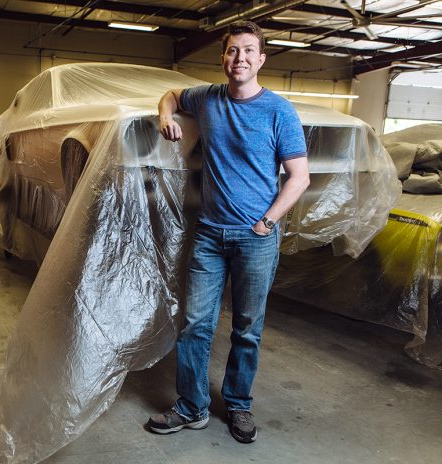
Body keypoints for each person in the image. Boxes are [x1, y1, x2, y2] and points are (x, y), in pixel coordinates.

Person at [148, 20, 310, 444]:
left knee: (246, 328)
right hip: (209, 235)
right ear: (223, 58)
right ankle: (191, 407)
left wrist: (267, 222)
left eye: (248, 51)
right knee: (196, 324)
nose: (240, 58)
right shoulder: (208, 97)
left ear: (261, 59)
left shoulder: (279, 111)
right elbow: (170, 95)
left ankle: (238, 405)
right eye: (232, 51)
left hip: (255, 238)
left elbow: (299, 178)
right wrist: (166, 117)